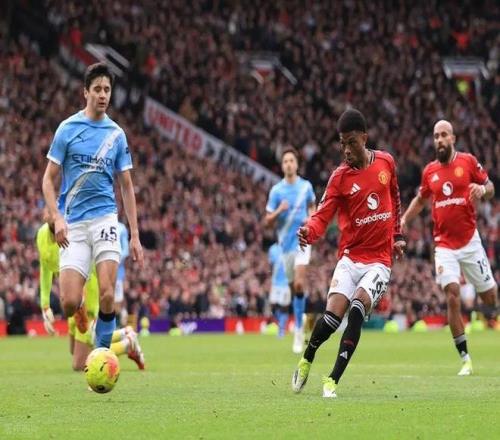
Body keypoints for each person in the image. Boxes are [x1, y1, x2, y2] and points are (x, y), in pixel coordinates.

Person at [291, 108, 405, 398]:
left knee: (356, 309)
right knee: (331, 319)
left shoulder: (386, 163)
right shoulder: (339, 178)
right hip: (351, 258)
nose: (346, 150)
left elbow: (395, 197)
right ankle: (308, 356)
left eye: (351, 142)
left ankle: (332, 380)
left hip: (379, 262)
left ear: (364, 138)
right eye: (342, 144)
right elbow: (322, 215)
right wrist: (308, 230)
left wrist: (397, 236)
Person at [42, 62, 144, 351]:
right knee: (68, 302)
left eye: (107, 90)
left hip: (105, 220)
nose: (102, 95)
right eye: (97, 89)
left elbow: (126, 185)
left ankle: (101, 357)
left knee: (108, 294)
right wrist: (57, 218)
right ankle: (82, 306)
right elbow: (47, 180)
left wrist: (134, 235)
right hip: (73, 223)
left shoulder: (116, 135)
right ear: (85, 92)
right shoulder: (67, 129)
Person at [401, 120, 497, 376]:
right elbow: (420, 200)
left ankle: (488, 311)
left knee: (490, 298)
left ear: (453, 138)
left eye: (444, 135)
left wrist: (482, 189)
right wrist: (404, 220)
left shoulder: (468, 162)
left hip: (470, 242)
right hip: (444, 246)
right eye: (436, 136)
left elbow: (490, 187)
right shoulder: (430, 171)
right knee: (452, 294)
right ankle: (465, 358)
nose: (439, 140)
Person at [36, 218, 145, 371]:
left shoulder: (73, 228)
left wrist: (89, 302)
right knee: (74, 350)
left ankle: (126, 345)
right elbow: (45, 267)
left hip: (88, 292)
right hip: (72, 297)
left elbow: (89, 265)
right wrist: (45, 305)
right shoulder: (42, 235)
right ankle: (125, 336)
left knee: (80, 364)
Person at [264, 147, 316, 353]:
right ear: (282, 165)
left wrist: (311, 219)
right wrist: (279, 210)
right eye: (285, 161)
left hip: (302, 241)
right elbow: (267, 221)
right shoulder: (276, 191)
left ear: (297, 164)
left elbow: (313, 207)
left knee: (300, 284)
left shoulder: (306, 187)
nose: (288, 164)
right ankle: (300, 318)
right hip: (285, 246)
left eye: (291, 160)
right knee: (294, 288)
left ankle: (299, 331)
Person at [268, 243, 291, 338]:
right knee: (273, 306)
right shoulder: (272, 249)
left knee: (284, 307)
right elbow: (270, 265)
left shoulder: (290, 247)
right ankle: (280, 323)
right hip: (275, 283)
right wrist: (270, 277)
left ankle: (281, 329)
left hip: (285, 283)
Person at [115, 220, 129, 326]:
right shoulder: (98, 222)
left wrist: (114, 260)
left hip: (117, 273)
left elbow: (126, 250)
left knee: (117, 302)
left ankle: (119, 325)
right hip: (100, 271)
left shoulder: (121, 228)